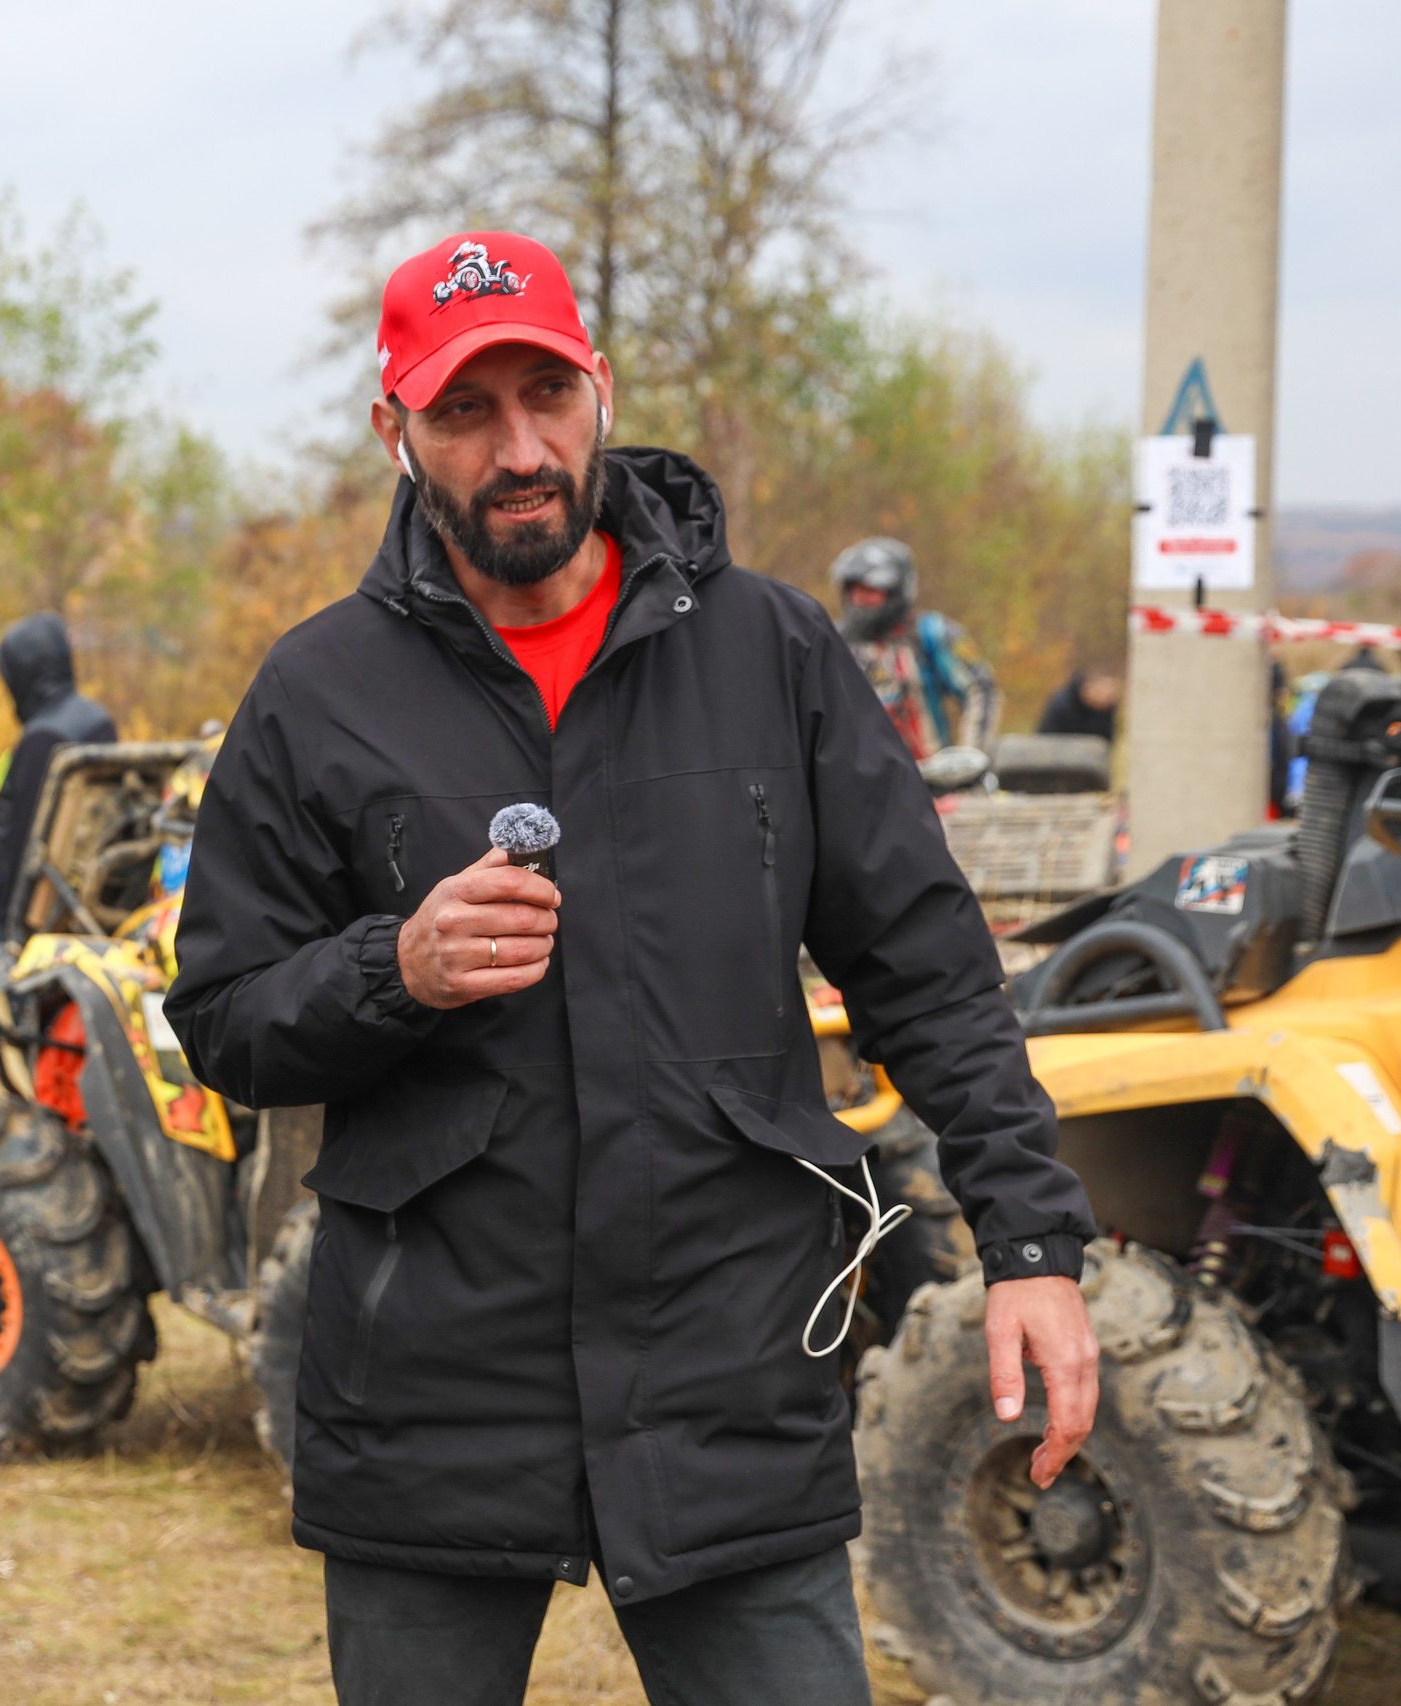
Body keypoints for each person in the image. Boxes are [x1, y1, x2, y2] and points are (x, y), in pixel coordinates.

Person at [163, 230, 1099, 1706]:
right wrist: (389, 967)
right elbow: (221, 1018)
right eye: (467, 410)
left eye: (547, 393)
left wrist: (1031, 1244)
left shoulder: (770, 651)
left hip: (731, 1373)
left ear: (601, 386)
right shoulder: (316, 693)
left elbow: (928, 966)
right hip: (430, 1397)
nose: (519, 447)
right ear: (394, 429)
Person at [0, 614, 116, 938]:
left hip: (35, 918)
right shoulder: (96, 719)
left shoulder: (44, 737)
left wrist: (4, 932)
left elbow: (21, 842)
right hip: (79, 905)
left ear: (25, 673)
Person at [831, 536, 1001, 759]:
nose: (860, 599)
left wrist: (970, 758)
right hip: (857, 779)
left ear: (897, 591)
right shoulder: (833, 641)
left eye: (871, 591)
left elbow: (981, 689)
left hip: (930, 779)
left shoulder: (930, 634)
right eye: (854, 590)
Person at [1037, 656, 1123, 740]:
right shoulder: (1062, 705)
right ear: (1087, 688)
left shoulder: (1106, 709)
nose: (1106, 698)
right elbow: (1047, 739)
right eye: (1101, 691)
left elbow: (1105, 741)